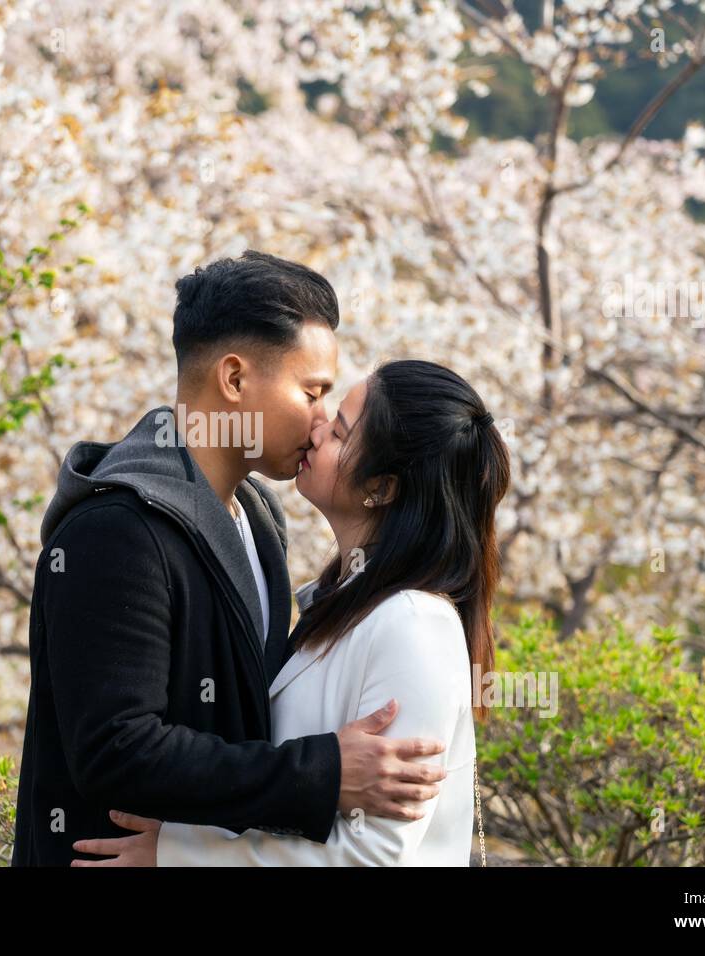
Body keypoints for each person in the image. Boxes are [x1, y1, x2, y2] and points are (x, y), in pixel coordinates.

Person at [11, 252, 448, 866]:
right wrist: (321, 772)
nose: (322, 421)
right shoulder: (117, 528)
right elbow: (117, 748)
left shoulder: (260, 520)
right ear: (236, 379)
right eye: (311, 392)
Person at [71, 359, 511, 865]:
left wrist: (178, 856)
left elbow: (376, 854)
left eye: (341, 432)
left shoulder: (414, 624)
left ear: (382, 488)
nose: (316, 429)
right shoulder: (343, 601)